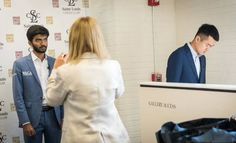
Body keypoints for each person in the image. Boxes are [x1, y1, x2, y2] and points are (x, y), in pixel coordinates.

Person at [45, 17, 130, 143]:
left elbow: (51, 99)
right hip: (114, 136)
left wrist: (55, 70)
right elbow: (119, 93)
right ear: (99, 38)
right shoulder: (114, 65)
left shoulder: (65, 71)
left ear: (73, 40)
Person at [12, 25, 63, 143]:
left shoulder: (55, 62)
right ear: (30, 43)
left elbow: (61, 91)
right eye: (38, 40)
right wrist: (25, 122)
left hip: (54, 115)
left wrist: (63, 117)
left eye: (45, 39)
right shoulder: (20, 64)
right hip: (32, 117)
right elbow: (18, 96)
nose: (43, 43)